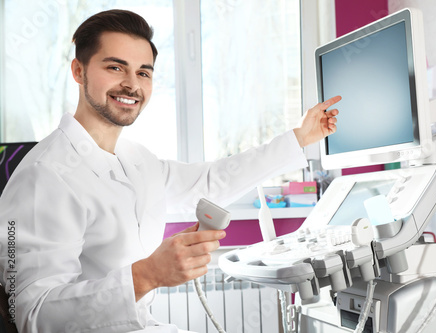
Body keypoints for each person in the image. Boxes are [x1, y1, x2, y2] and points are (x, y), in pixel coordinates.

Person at [0, 9, 341, 333]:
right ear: (79, 71)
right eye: (116, 68)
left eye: (143, 72)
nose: (132, 84)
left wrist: (300, 138)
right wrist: (145, 275)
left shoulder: (135, 159)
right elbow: (32, 314)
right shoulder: (43, 175)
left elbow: (211, 181)